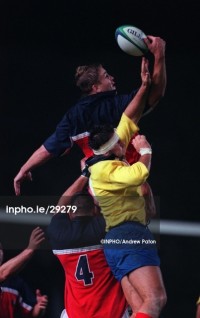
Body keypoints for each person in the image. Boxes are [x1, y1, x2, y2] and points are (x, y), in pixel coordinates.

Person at [14, 35, 166, 196]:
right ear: (95, 87)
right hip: (130, 182)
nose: (112, 78)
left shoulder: (73, 116)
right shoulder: (115, 105)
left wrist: (24, 169)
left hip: (101, 188)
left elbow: (48, 149)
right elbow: (156, 94)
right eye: (106, 76)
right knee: (140, 213)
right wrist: (159, 55)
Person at [87, 61, 167, 318]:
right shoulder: (103, 170)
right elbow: (139, 174)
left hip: (116, 240)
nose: (125, 143)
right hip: (129, 233)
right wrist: (145, 149)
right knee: (156, 299)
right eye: (119, 144)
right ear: (111, 149)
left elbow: (128, 119)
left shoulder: (106, 155)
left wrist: (144, 87)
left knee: (139, 307)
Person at [47, 173, 130, 318]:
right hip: (112, 312)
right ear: (94, 211)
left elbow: (61, 205)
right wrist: (97, 178)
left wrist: (84, 174)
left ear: (71, 213)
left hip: (76, 314)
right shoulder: (106, 228)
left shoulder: (58, 234)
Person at [0, 228, 48, 317]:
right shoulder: (4, 274)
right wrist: (30, 249)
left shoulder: (16, 282)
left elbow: (31, 315)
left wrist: (39, 307)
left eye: (0, 249)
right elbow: (2, 273)